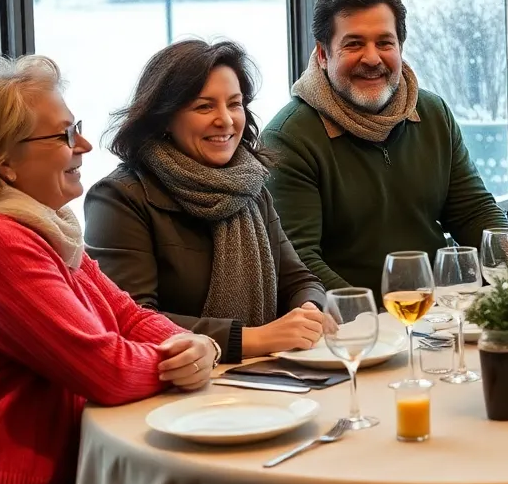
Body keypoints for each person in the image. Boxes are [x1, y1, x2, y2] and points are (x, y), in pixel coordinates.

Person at [0, 56, 216, 484]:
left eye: (75, 126)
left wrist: (193, 343)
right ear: (3, 162)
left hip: (58, 472)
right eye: (63, 135)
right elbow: (107, 370)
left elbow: (127, 315)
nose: (83, 144)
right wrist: (179, 361)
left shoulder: (43, 223)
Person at [264, 0, 508, 294]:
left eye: (384, 43)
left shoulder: (433, 113)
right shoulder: (289, 137)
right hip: (351, 329)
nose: (372, 58)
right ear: (323, 55)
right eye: (353, 44)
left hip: (437, 312)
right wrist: (373, 315)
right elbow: (299, 263)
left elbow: (473, 210)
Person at [84, 41, 327, 364]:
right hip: (171, 392)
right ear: (165, 118)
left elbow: (299, 279)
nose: (225, 120)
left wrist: (309, 312)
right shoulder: (119, 198)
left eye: (235, 104)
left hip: (264, 379)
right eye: (204, 107)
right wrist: (253, 339)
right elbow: (131, 320)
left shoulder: (250, 183)